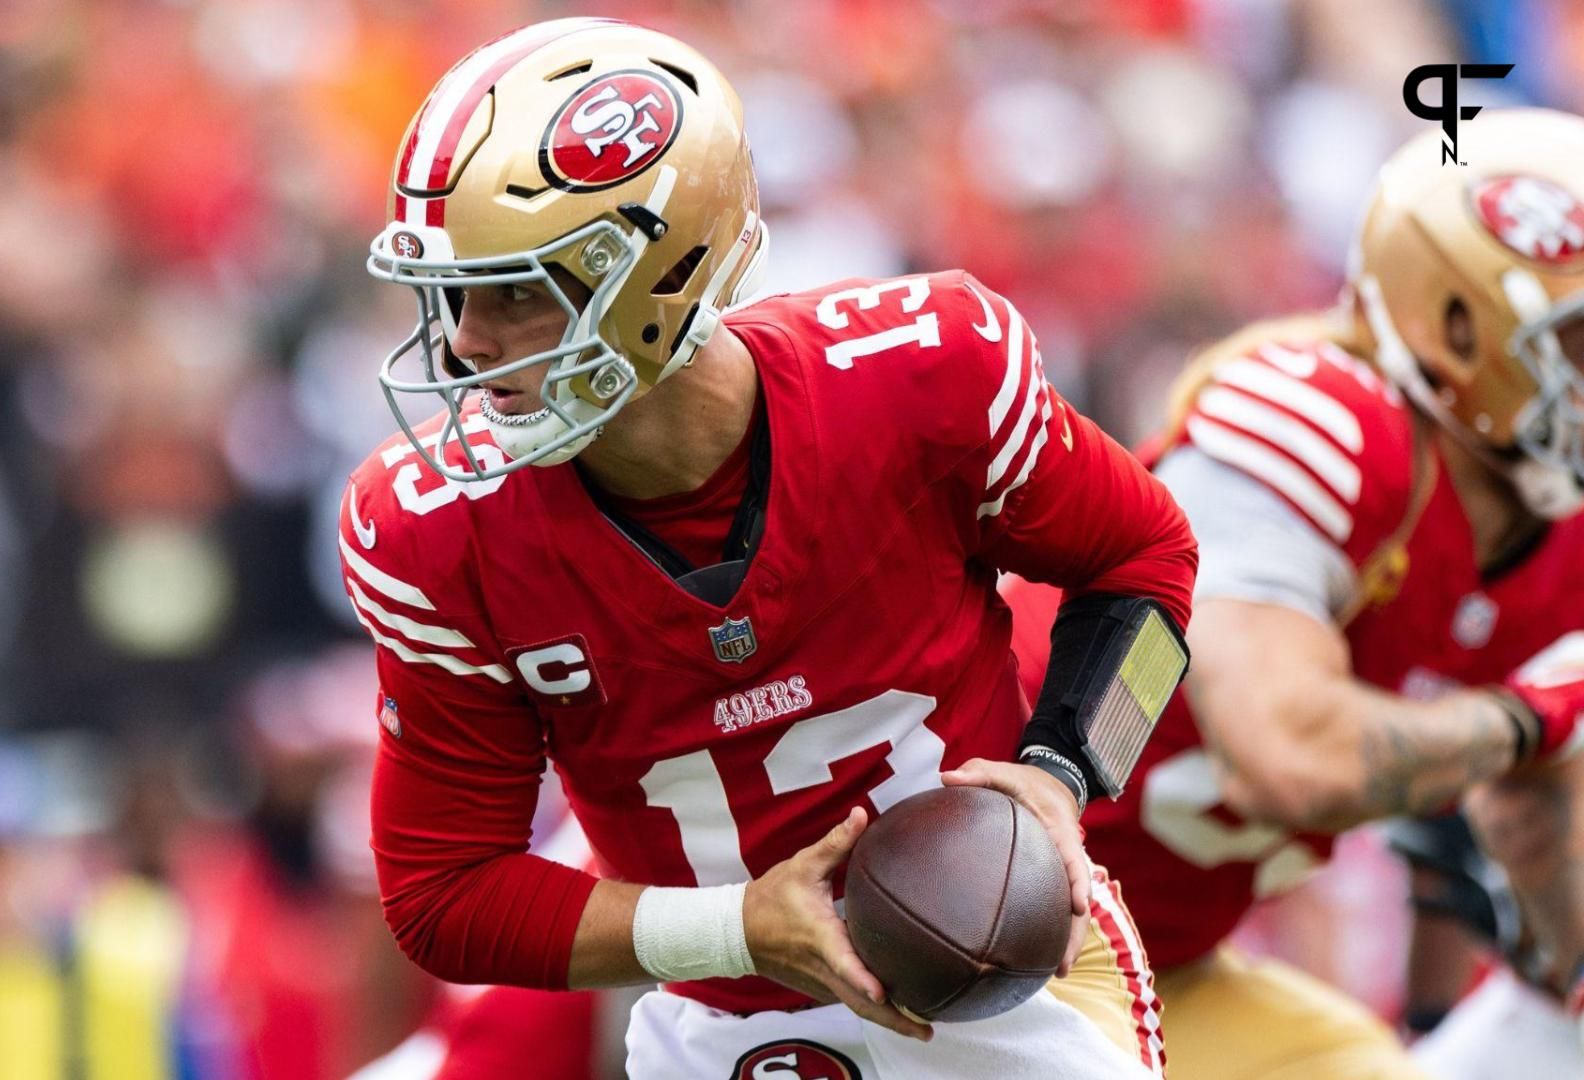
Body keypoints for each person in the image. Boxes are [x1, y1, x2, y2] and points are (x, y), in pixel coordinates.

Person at [341, 18, 1196, 1077]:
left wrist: (1064, 773)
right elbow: (443, 896)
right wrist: (737, 928)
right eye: (454, 294)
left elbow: (1150, 560)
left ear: (662, 270)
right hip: (724, 1025)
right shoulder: (438, 528)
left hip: (1011, 987)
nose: (466, 341)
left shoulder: (922, 377)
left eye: (516, 290)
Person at [1004, 107, 1584, 1079]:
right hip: (970, 923)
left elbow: (1511, 805)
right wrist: (1543, 715)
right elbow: (1288, 753)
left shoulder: (1551, 527)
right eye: (1573, 341)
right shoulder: (1320, 418)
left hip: (1159, 961)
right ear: (1454, 324)